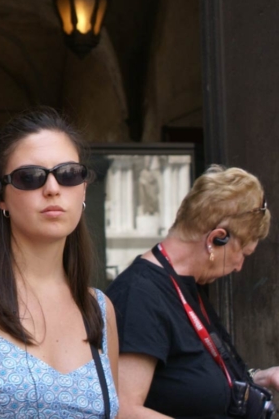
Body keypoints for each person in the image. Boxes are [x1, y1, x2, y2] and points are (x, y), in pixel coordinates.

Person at [0, 107, 120, 418]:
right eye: (29, 177)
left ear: (83, 186)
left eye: (69, 173)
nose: (53, 189)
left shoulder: (97, 307)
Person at [108, 165, 278, 418]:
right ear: (216, 238)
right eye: (243, 253)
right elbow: (124, 409)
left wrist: (260, 378)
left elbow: (189, 382)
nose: (239, 266)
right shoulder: (139, 295)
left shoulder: (186, 286)